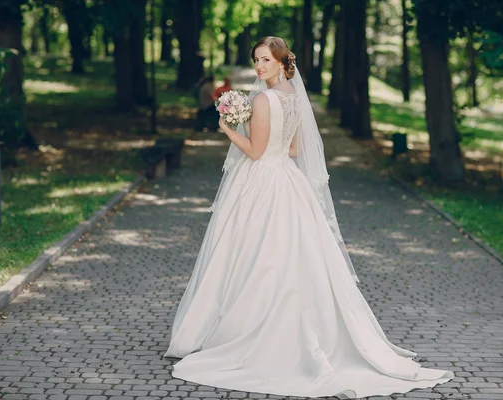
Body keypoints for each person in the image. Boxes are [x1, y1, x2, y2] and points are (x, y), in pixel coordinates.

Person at [164, 36, 454, 399]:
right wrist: (269, 145)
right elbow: (297, 148)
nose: (258, 67)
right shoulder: (293, 98)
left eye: (265, 60)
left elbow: (254, 152)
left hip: (261, 182)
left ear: (282, 62)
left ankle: (244, 331)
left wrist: (227, 129)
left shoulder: (264, 98)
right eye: (256, 60)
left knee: (251, 254)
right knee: (289, 257)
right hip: (286, 178)